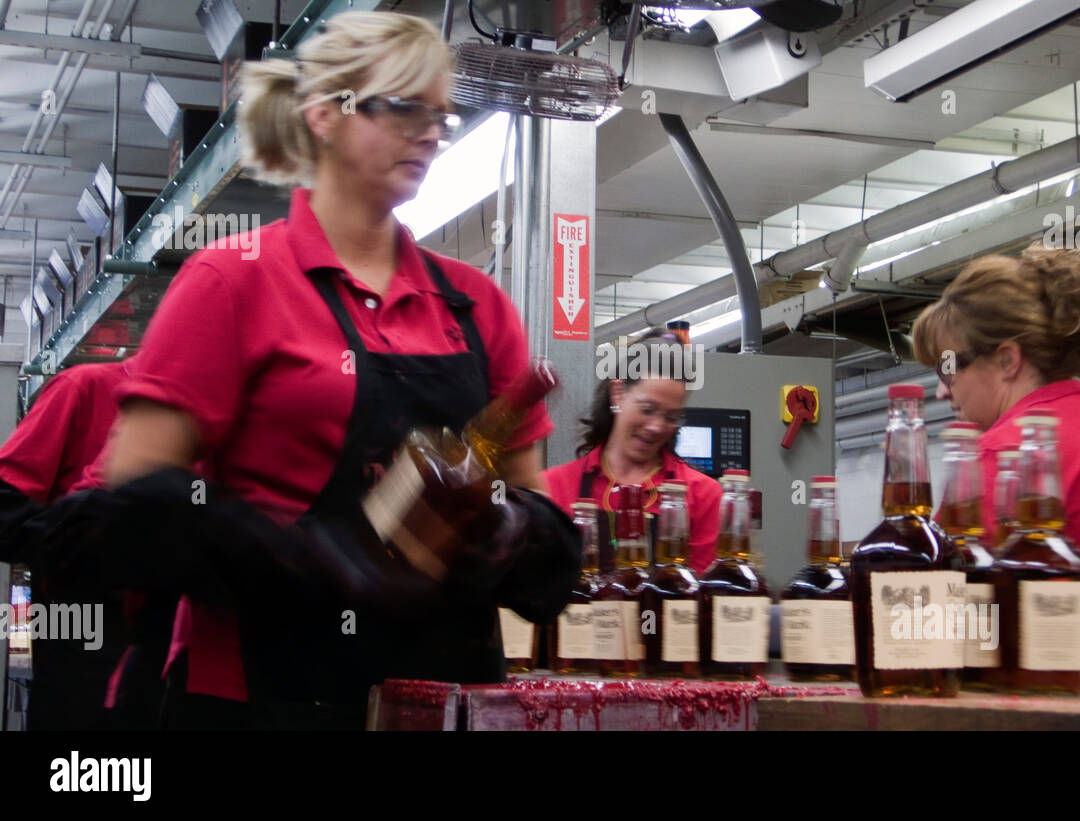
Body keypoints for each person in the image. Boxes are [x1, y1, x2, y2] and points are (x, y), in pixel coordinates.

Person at [45, 11, 578, 730]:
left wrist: (512, 529)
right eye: (404, 107)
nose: (429, 130)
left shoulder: (478, 306)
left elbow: (533, 497)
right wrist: (297, 557)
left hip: (445, 701)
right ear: (325, 114)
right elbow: (136, 494)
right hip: (263, 698)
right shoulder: (232, 281)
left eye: (442, 117)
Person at [910, 244, 1080, 554]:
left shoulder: (994, 461)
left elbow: (934, 590)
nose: (941, 391)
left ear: (1006, 361)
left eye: (947, 369)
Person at [0, 359, 131, 730]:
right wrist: (92, 549)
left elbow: (199, 496)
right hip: (83, 633)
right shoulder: (84, 388)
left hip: (173, 649)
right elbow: (5, 509)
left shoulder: (214, 421)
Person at [543, 328, 721, 573]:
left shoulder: (703, 495)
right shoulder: (553, 487)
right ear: (618, 394)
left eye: (672, 417)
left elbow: (705, 599)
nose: (657, 427)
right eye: (647, 410)